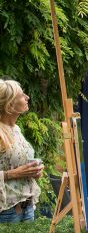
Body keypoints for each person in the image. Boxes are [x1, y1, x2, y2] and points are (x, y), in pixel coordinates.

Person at [0, 79, 44, 224]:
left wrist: (35, 170)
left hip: (27, 206)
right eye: (21, 95)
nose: (27, 97)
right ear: (10, 104)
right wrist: (14, 174)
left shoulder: (16, 130)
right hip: (6, 211)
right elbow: (14, 171)